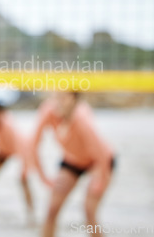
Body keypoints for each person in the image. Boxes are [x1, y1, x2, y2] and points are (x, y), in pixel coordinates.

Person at [32, 91, 114, 237]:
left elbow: (99, 152)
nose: (58, 101)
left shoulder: (81, 117)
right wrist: (43, 177)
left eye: (63, 97)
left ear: (75, 99)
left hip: (99, 161)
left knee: (89, 210)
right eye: (56, 96)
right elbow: (33, 145)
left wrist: (101, 179)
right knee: (51, 210)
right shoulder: (48, 111)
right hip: (73, 160)